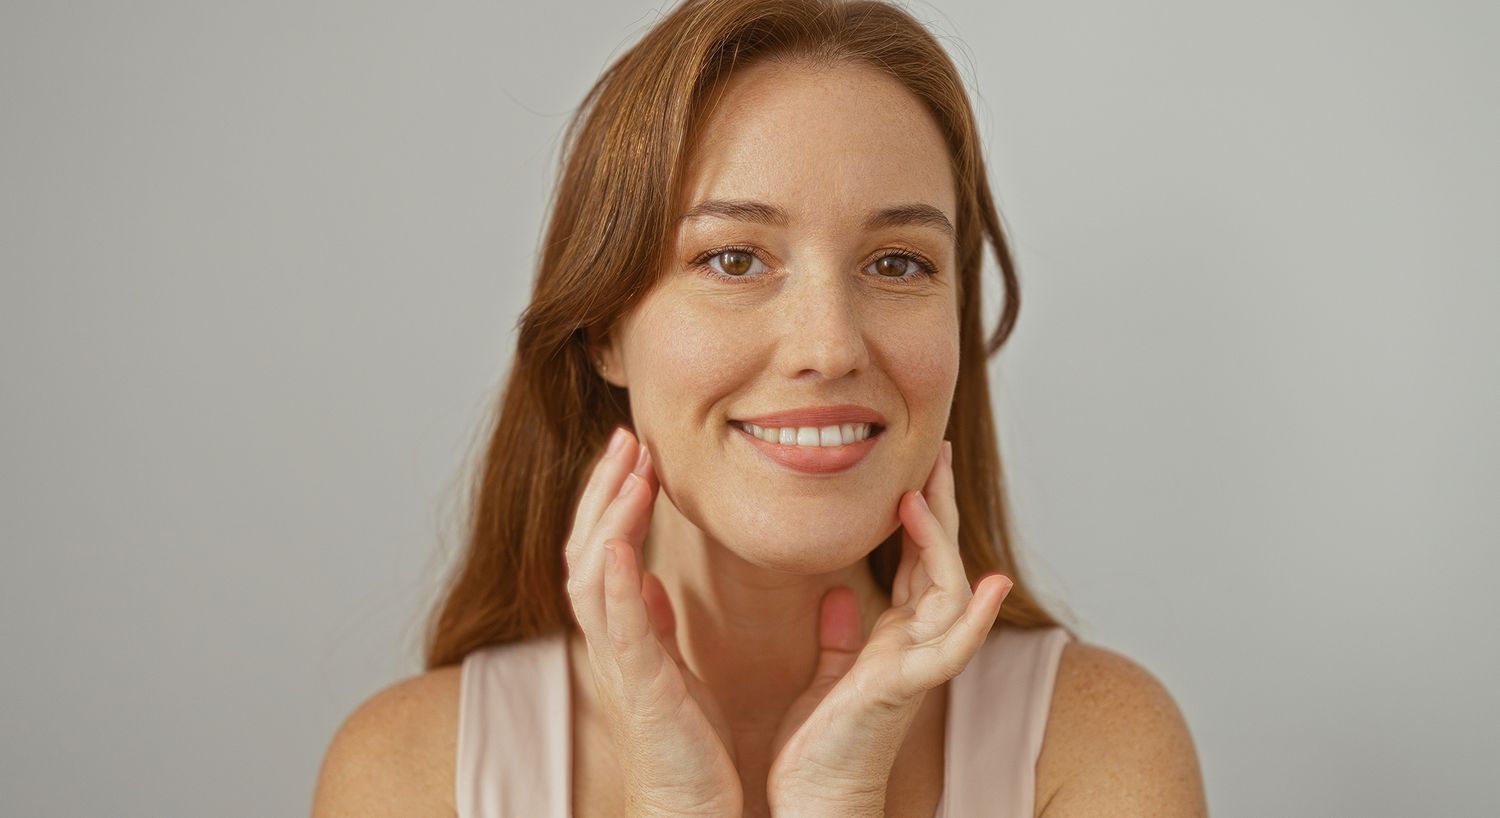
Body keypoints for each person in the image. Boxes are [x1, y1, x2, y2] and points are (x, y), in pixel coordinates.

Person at [311, 0, 1208, 815]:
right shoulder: (411, 774)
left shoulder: (1093, 750)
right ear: (603, 330)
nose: (829, 347)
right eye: (735, 259)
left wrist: (839, 801)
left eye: (898, 263)